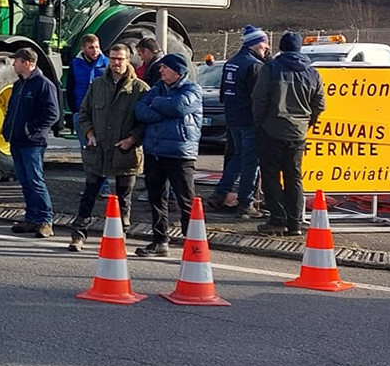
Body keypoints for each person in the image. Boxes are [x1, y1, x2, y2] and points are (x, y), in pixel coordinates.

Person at [68, 42, 148, 251]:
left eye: (120, 59)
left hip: (125, 153)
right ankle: (78, 234)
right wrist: (89, 134)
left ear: (128, 60)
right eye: (112, 58)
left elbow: (146, 123)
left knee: (124, 199)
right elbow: (83, 114)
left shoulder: (140, 89)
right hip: (99, 151)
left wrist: (132, 140)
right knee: (89, 195)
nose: (115, 63)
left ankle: (119, 236)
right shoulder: (97, 85)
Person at [251, 31, 326, 237]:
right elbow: (319, 104)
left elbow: (259, 99)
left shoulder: (271, 69)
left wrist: (259, 123)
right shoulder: (312, 73)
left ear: (281, 48)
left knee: (271, 175)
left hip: (272, 129)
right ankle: (295, 222)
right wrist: (307, 123)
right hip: (298, 132)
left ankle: (277, 219)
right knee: (294, 177)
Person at [132, 53, 203, 257]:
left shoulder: (192, 89)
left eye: (165, 67)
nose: (160, 70)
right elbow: (140, 110)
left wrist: (158, 104)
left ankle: (193, 244)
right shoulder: (157, 89)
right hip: (154, 150)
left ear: (178, 70)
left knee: (185, 199)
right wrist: (163, 106)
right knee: (156, 198)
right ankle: (160, 240)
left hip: (180, 153)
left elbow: (179, 106)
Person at [211, 25, 271, 217]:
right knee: (250, 163)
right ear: (255, 44)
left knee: (237, 157)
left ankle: (219, 194)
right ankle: (246, 203)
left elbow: (223, 94)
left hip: (232, 118)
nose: (267, 48)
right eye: (264, 44)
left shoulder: (232, 62)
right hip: (249, 120)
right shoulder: (255, 66)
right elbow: (259, 98)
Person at [0, 47, 58, 237]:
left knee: (35, 180)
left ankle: (45, 220)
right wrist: (7, 129)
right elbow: (11, 110)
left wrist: (29, 129)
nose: (13, 64)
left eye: (15, 60)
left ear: (26, 63)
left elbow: (52, 114)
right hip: (16, 141)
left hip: (33, 142)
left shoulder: (43, 84)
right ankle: (32, 218)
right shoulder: (19, 85)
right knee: (25, 181)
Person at [68, 34, 108, 114]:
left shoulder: (107, 64)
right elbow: (70, 88)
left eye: (97, 47)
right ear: (83, 49)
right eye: (91, 48)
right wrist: (74, 109)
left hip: (100, 112)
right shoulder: (75, 64)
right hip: (80, 110)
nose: (95, 51)